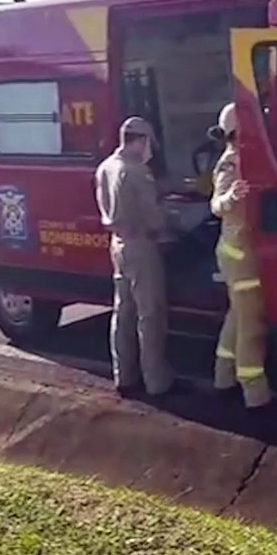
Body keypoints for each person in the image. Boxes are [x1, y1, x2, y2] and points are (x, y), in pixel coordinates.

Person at [94, 116, 176, 398]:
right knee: (150, 315)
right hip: (142, 246)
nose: (148, 148)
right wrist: (170, 224)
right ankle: (157, 381)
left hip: (117, 244)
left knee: (123, 313)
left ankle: (124, 376)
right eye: (147, 142)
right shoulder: (137, 171)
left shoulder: (105, 167)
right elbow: (153, 217)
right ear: (140, 140)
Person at [209, 103, 272, 409]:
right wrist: (231, 197)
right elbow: (216, 205)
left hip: (239, 251)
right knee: (252, 325)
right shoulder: (230, 164)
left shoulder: (245, 159)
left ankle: (223, 378)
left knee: (237, 317)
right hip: (239, 255)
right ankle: (255, 395)